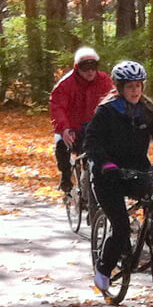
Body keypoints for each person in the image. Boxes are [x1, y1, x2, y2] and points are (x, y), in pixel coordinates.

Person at [84, 60, 153, 291]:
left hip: (137, 171)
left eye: (138, 86)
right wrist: (105, 163)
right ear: (119, 88)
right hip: (108, 177)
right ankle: (104, 269)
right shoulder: (107, 112)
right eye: (130, 87)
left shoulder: (146, 112)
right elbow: (92, 142)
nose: (135, 91)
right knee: (121, 227)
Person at [49, 47, 114, 196]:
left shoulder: (105, 80)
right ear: (77, 67)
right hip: (71, 127)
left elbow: (113, 102)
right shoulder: (65, 85)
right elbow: (57, 108)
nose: (90, 72)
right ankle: (66, 176)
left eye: (93, 67)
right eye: (86, 68)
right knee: (61, 145)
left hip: (94, 128)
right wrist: (64, 128)